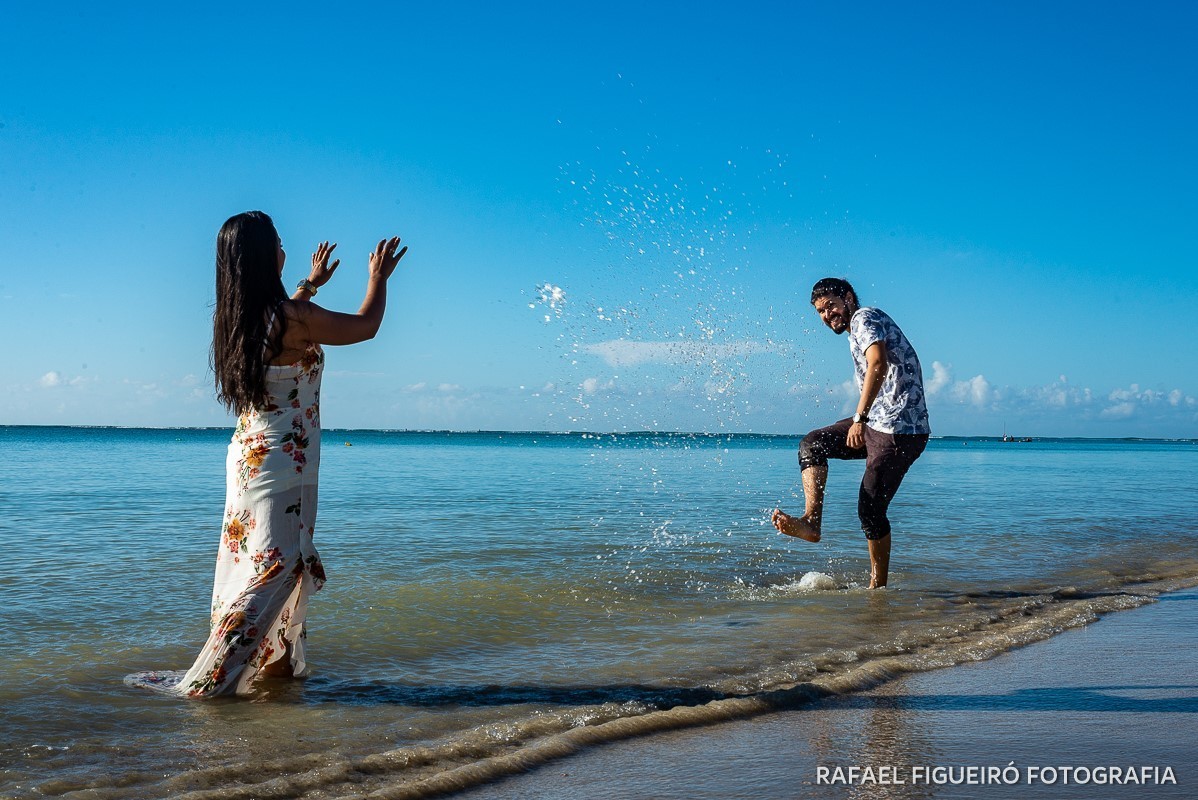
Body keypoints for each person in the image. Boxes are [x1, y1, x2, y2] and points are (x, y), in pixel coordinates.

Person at [127, 211, 406, 696]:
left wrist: (308, 285)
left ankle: (274, 677)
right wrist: (377, 279)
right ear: (262, 255)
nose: (284, 245)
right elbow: (365, 326)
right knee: (277, 566)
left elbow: (288, 326)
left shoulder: (240, 318)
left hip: (251, 458)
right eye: (278, 240)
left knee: (261, 564)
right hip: (282, 461)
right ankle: (211, 682)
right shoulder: (291, 319)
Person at [771, 278, 929, 589]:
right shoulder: (856, 329)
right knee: (812, 444)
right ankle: (811, 522)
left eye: (830, 305)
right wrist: (864, 420)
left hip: (900, 430)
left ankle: (877, 589)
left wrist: (859, 417)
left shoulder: (862, 318)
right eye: (820, 311)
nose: (827, 314)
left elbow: (878, 362)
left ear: (847, 297)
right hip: (876, 424)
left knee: (870, 510)